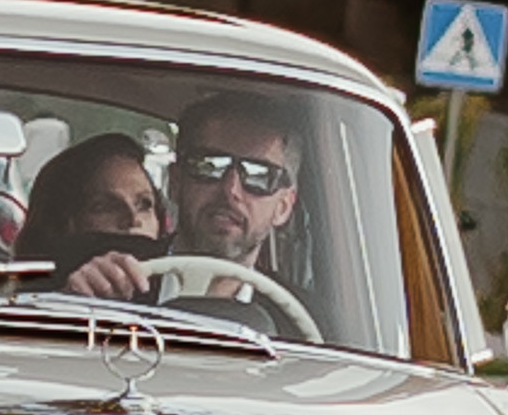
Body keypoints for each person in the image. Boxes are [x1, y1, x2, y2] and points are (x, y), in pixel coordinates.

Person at [66, 93, 302, 307]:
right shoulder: (106, 274)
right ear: (175, 182)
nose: (230, 190)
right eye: (209, 166)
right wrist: (73, 301)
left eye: (258, 175)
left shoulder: (305, 322)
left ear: (283, 206)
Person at [19, 131, 165, 282]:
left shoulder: (175, 285)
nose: (133, 219)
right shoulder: (32, 298)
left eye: (145, 205)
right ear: (62, 223)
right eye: (105, 207)